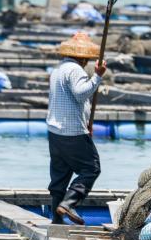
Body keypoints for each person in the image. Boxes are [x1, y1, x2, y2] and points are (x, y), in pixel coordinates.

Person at [46, 31, 107, 224]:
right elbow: (81, 94)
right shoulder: (75, 70)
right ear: (83, 58)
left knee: (60, 176)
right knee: (91, 168)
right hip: (72, 132)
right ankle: (69, 203)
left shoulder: (58, 69)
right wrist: (97, 77)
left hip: (55, 131)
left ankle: (57, 218)